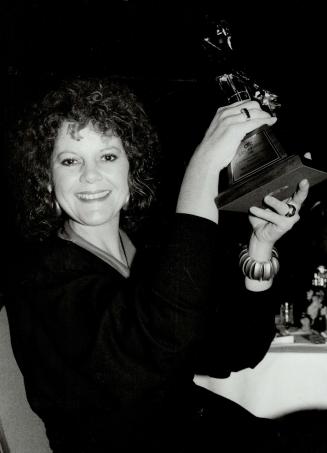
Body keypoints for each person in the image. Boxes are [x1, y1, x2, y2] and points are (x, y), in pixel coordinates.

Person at [4, 77, 316, 452]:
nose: (90, 175)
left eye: (108, 156)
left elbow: (231, 351)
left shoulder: (139, 255)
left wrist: (260, 247)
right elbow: (159, 340)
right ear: (46, 179)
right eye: (70, 160)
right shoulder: (42, 278)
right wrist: (202, 169)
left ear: (130, 169)